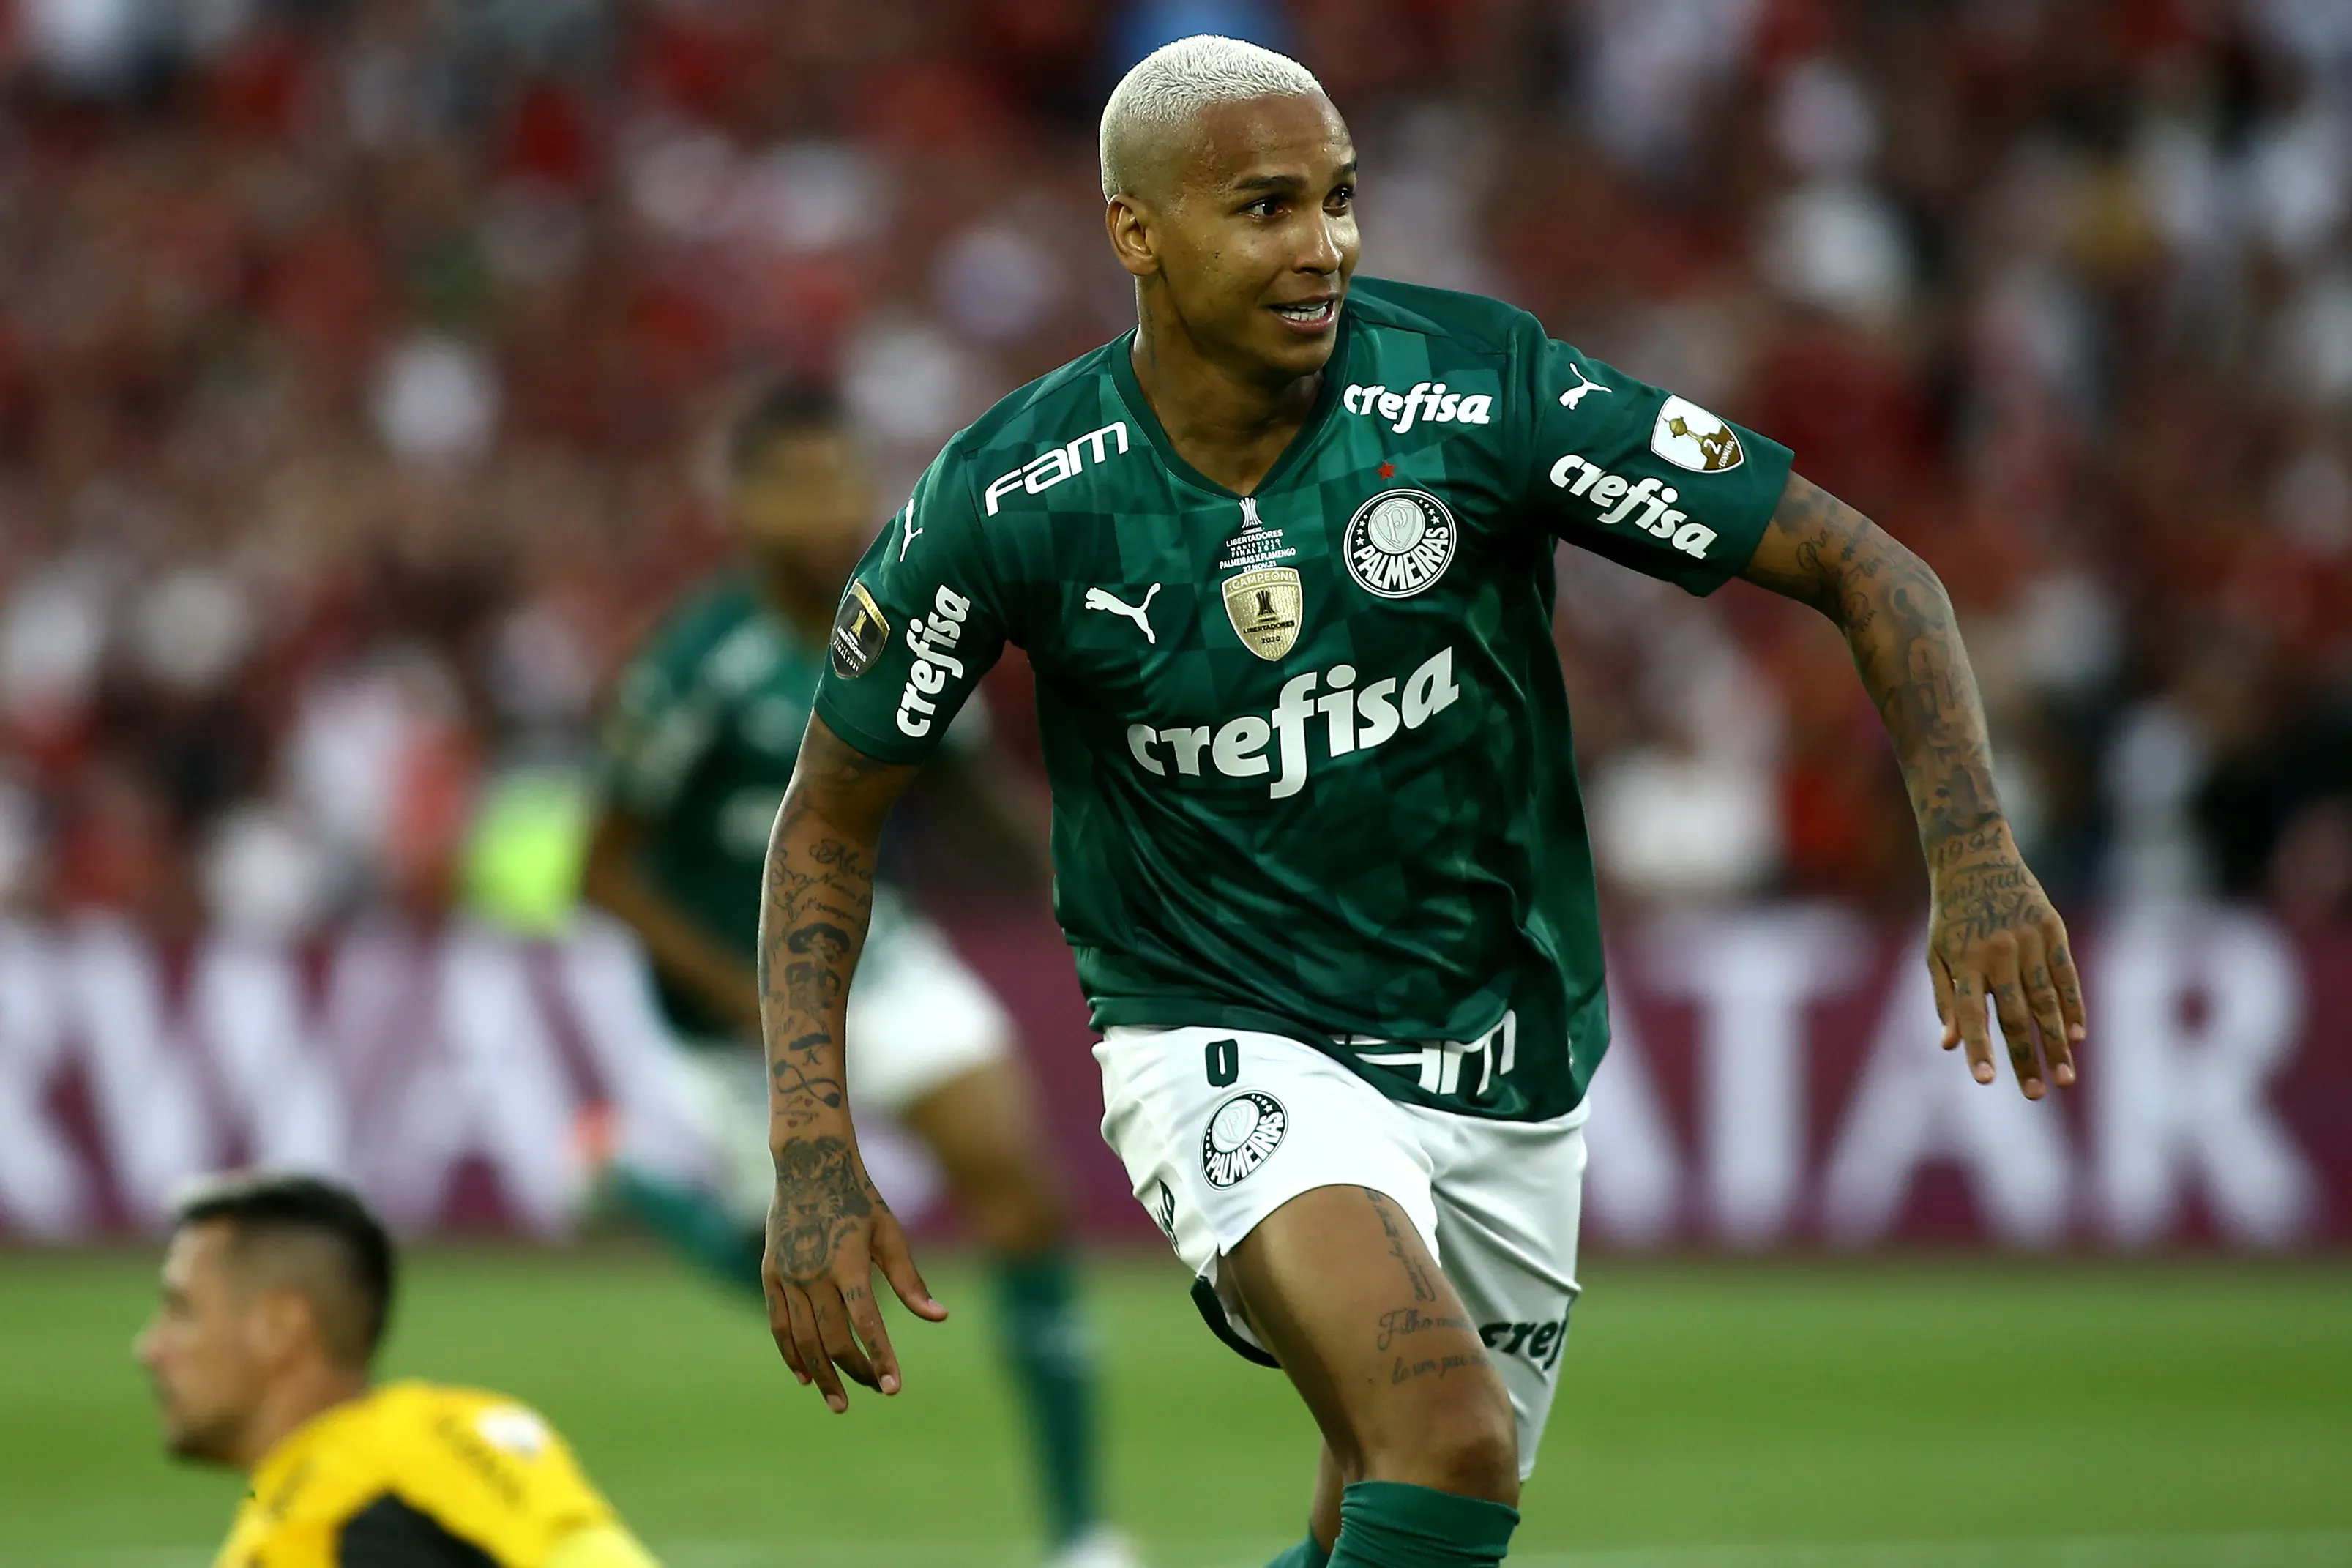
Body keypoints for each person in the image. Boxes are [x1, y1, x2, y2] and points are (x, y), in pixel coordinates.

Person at [753, 34, 2088, 1568]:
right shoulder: (1017, 496)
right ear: (1136, 232)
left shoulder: (1479, 391)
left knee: (1394, 1520)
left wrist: (1975, 853)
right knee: (1444, 1437)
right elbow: (831, 813)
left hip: (1506, 1049)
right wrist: (809, 1151)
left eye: (1339, 199)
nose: (1321, 245)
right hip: (1220, 1028)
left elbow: (1868, 568)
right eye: (1264, 207)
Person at [579, 381, 1132, 1568]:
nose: (826, 509)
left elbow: (979, 798)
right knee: (786, 1265)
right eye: (795, 485)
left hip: (880, 965)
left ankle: (1083, 1533)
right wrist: (744, 993)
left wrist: (1111, 878)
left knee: (1023, 1196)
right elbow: (606, 871)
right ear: (739, 505)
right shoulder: (692, 665)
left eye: (841, 478)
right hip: (734, 1010)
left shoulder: (899, 621)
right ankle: (636, 1179)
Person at [135, 1171, 660, 1567]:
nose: (149, 1348)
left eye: (181, 1311)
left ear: (279, 1329)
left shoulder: (411, 1458)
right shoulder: (264, 1541)